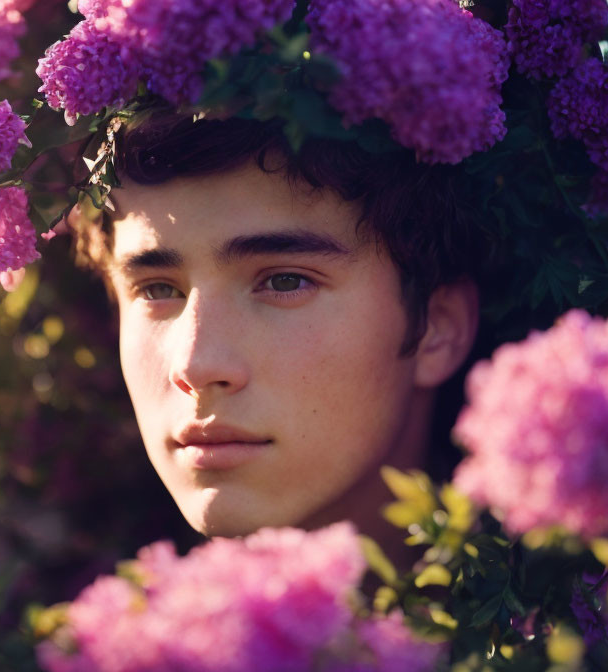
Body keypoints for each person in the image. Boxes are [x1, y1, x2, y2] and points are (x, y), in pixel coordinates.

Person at [75, 110, 487, 552]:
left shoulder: (553, 618)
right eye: (157, 288)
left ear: (436, 329)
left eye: (285, 282)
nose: (195, 365)